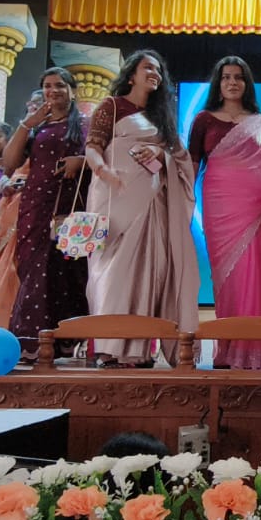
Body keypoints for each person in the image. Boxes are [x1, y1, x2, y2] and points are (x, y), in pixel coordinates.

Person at [84, 50, 199, 367]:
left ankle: (138, 349)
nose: (155, 74)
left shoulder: (162, 119)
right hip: (113, 199)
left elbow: (181, 160)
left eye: (159, 70)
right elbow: (93, 147)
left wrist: (160, 155)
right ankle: (109, 347)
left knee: (149, 273)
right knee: (112, 273)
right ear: (131, 74)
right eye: (148, 67)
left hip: (152, 206)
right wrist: (104, 171)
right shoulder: (111, 106)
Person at [189, 56, 261, 369]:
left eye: (238, 77)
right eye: (226, 77)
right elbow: (192, 164)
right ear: (218, 83)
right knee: (225, 278)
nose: (232, 82)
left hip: (255, 207)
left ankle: (253, 348)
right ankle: (227, 348)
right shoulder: (203, 120)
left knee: (253, 272)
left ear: (246, 83)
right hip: (219, 206)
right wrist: (185, 202)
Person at [0, 68, 90, 360]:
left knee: (71, 271)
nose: (53, 91)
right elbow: (9, 163)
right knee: (35, 270)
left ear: (72, 90)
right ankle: (31, 341)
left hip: (73, 207)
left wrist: (82, 161)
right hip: (36, 207)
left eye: (60, 85)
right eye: (48, 86)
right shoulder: (36, 127)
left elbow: (105, 157)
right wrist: (26, 124)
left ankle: (68, 340)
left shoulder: (86, 124)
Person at [0, 94, 40, 327]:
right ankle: (1, 323)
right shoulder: (25, 135)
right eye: (32, 104)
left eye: (40, 103)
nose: (36, 107)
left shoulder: (64, 131)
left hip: (41, 204)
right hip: (11, 208)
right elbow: (9, 167)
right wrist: (7, 183)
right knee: (6, 264)